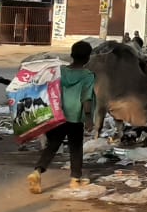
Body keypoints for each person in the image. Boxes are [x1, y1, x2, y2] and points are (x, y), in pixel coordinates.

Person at [27, 40, 97, 194]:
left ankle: (37, 171)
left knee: (52, 145)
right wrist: (89, 118)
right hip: (75, 116)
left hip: (58, 113)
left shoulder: (61, 71)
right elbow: (86, 98)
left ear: (71, 55)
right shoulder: (88, 76)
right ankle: (75, 180)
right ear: (88, 58)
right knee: (76, 147)